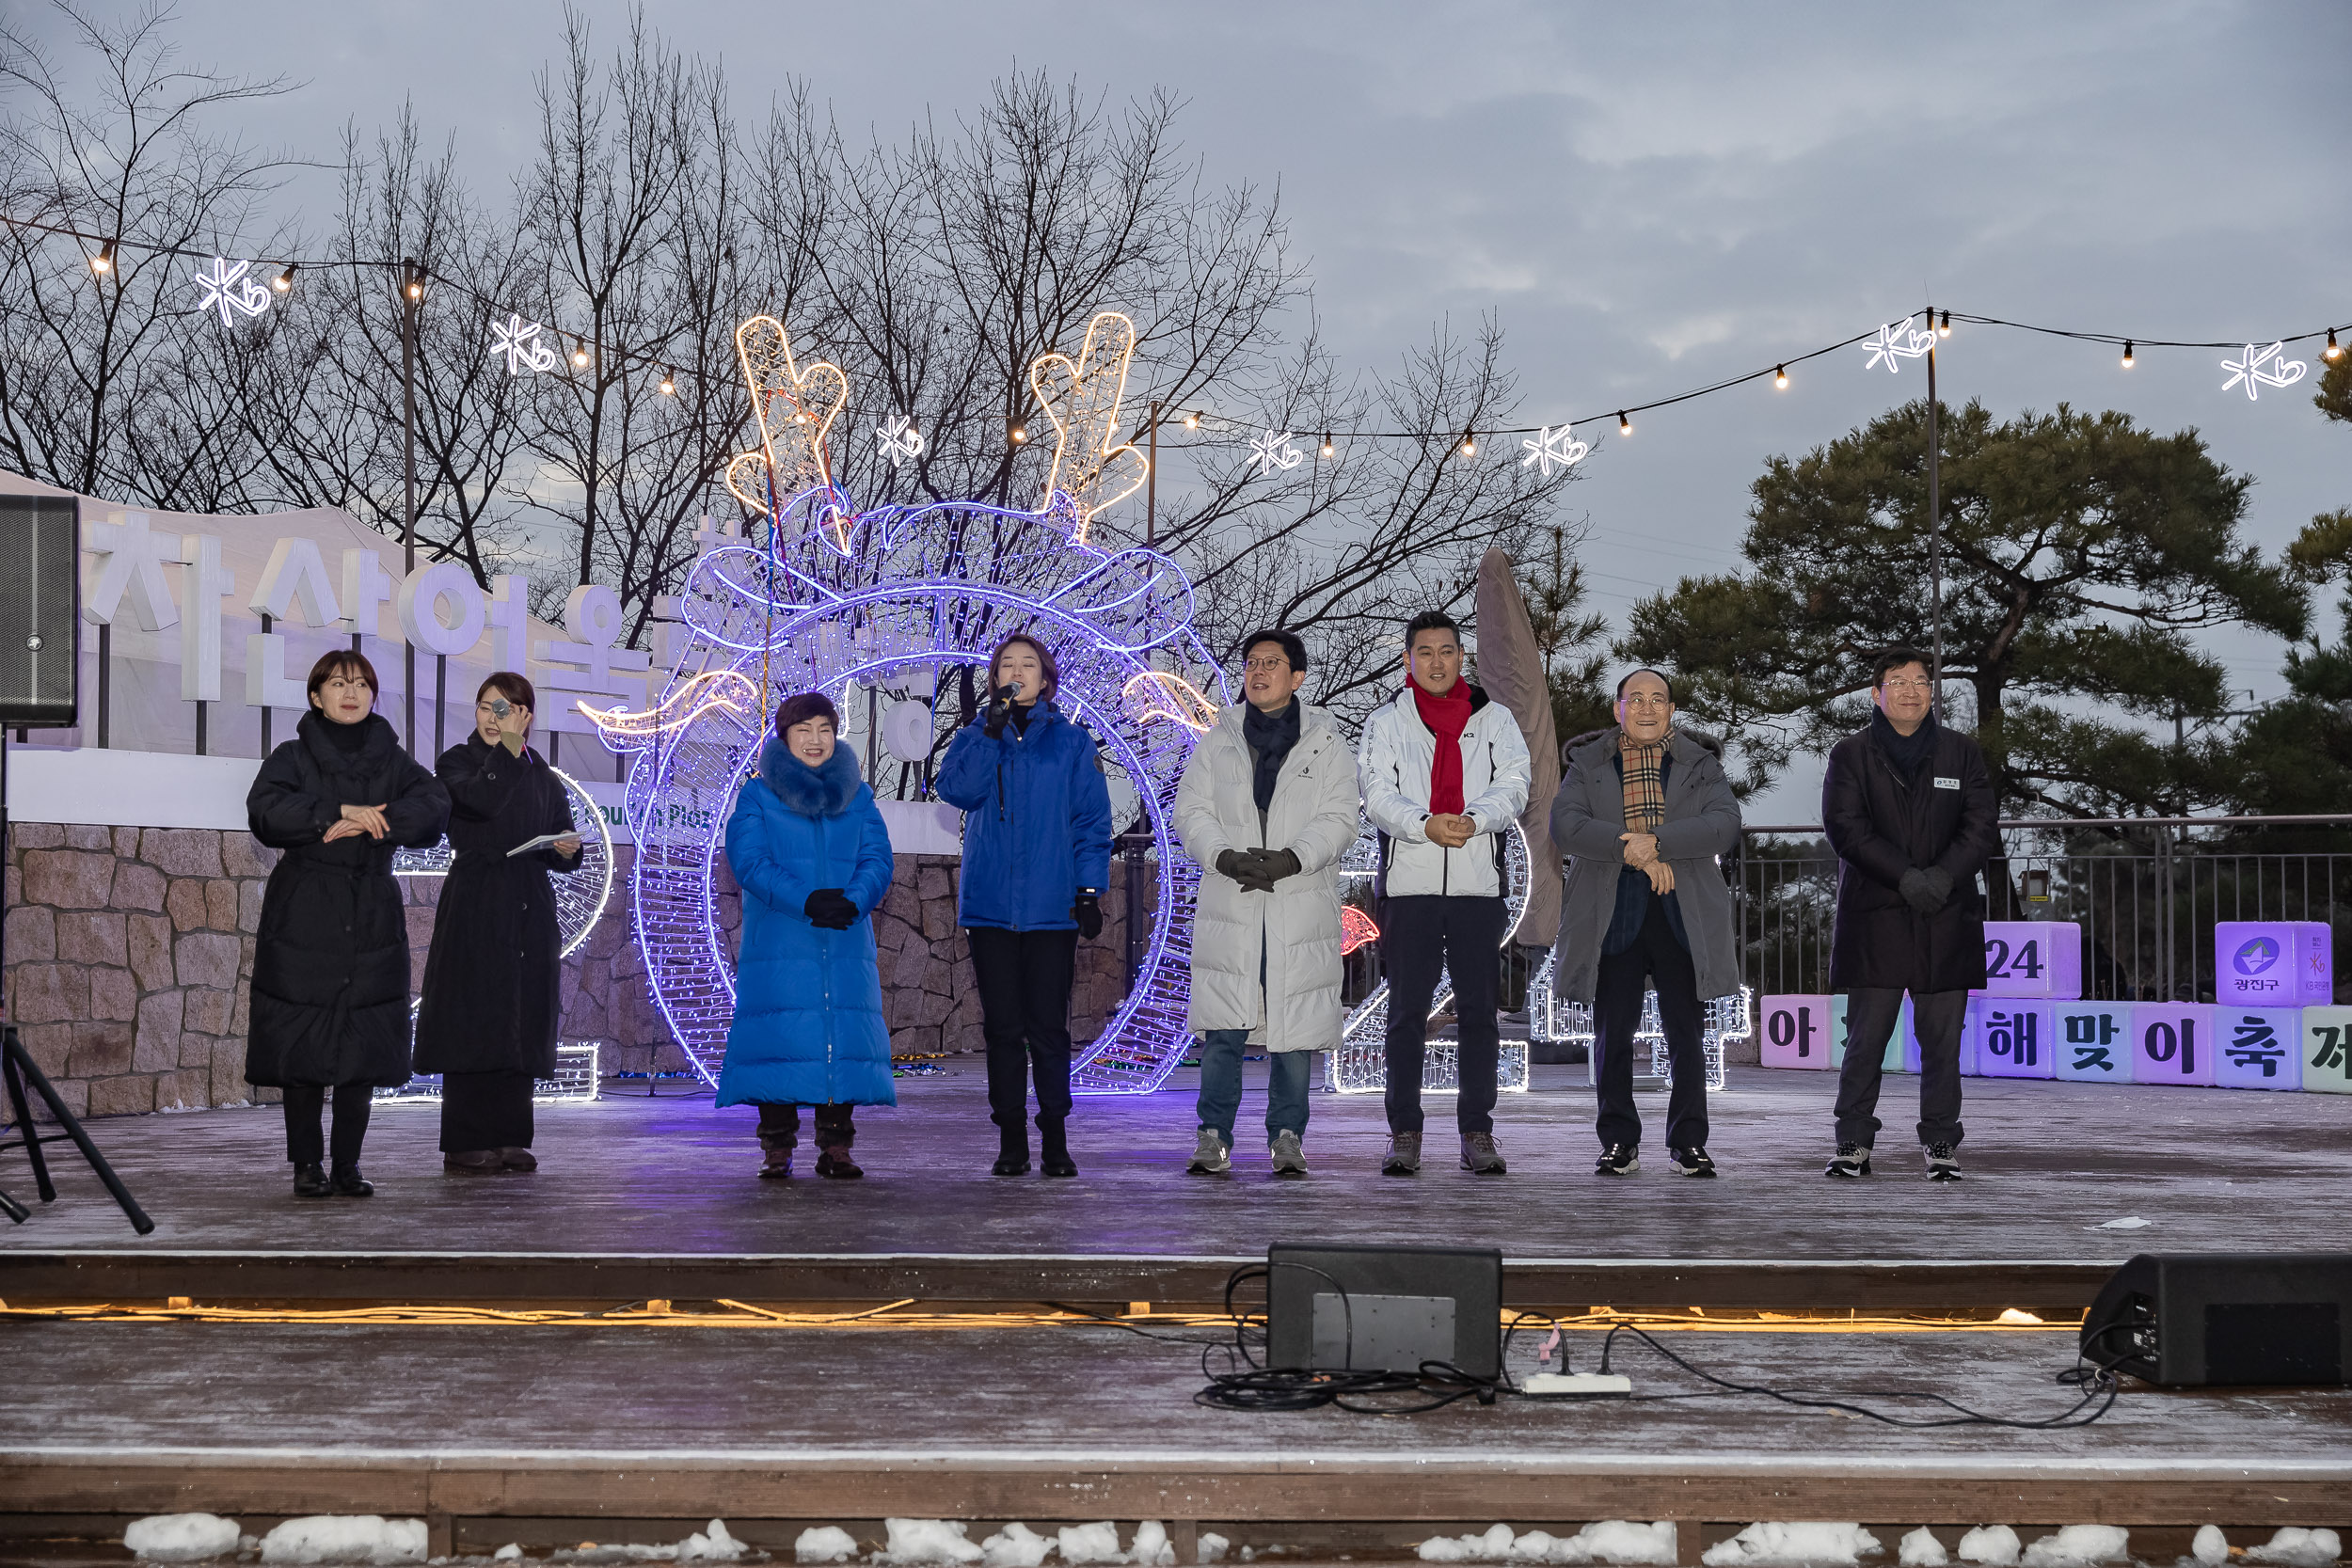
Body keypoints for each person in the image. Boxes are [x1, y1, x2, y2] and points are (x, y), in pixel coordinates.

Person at [245, 650, 450, 1198]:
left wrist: (370, 823)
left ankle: (348, 1165)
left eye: (361, 684)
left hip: (372, 914)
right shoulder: (291, 755)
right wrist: (333, 812)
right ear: (317, 696)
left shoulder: (395, 761)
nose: (350, 692)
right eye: (338, 683)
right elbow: (265, 812)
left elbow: (433, 806)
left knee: (361, 1049)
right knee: (303, 1048)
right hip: (304, 912)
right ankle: (307, 1165)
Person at [1173, 629, 1362, 1178]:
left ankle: (1287, 1136)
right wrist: (1226, 857)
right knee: (1223, 1028)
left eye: (1271, 663)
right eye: (1251, 663)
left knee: (1293, 1026)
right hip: (1231, 901)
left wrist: (1292, 859)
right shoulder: (1219, 738)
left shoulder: (1326, 741)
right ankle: (1213, 1135)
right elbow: (1192, 813)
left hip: (1297, 900)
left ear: (1297, 677)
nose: (1258, 672)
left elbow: (1340, 817)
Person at [1357, 610, 1531, 1176]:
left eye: (1447, 651)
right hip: (1410, 888)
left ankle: (1477, 1130)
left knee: (1480, 1013)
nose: (1437, 661)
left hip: (1479, 888)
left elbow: (1516, 784)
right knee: (1406, 1012)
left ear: (1462, 657)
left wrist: (1475, 819)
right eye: (1425, 652)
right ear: (1409, 660)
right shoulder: (1386, 721)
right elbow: (1376, 791)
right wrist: (1423, 823)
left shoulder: (1497, 719)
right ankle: (1404, 1131)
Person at [935, 633, 1114, 1179]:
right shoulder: (974, 735)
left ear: (1045, 678)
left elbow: (1091, 820)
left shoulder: (1073, 743)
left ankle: (1055, 1136)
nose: (1017, 672)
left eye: (1028, 664)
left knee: (1048, 1028)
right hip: (990, 909)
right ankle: (1011, 1136)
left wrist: (1087, 890)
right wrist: (989, 732)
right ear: (995, 678)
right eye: (1006, 664)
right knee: (1003, 1029)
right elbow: (955, 791)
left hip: (1051, 909)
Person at [1551, 669, 1742, 1178]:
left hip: (1684, 913)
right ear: (1618, 709)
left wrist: (1656, 842)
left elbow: (1724, 824)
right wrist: (1631, 849)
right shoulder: (1589, 764)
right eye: (1635, 699)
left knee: (1686, 1032)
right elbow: (1566, 826)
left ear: (1672, 710)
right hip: (1612, 911)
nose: (1647, 708)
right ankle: (1618, 1140)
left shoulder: (1700, 764)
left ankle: (1688, 1141)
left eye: (1658, 699)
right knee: (1612, 1034)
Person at [1821, 646, 1998, 1182]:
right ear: (1877, 693)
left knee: (1942, 1042)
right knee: (1865, 1040)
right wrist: (1905, 877)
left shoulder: (1961, 753)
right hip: (1877, 915)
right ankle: (1853, 1142)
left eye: (1921, 681)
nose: (1910, 690)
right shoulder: (1850, 754)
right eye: (1897, 681)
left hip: (1947, 915)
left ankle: (1942, 1143)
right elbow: (1846, 828)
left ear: (1932, 693)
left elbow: (1981, 825)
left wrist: (1942, 878)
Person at [717, 691, 898, 1179]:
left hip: (843, 938)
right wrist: (806, 900)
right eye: (803, 730)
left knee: (840, 1040)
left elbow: (878, 858)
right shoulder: (757, 795)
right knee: (778, 1042)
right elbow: (750, 862)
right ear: (785, 737)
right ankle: (777, 1149)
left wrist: (854, 900)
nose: (815, 740)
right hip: (781, 942)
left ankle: (836, 1147)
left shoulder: (857, 796)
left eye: (824, 729)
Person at [413, 673, 584, 1175]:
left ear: (527, 716)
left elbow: (561, 839)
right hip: (475, 901)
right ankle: (465, 1140)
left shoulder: (544, 776)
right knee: (473, 1016)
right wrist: (506, 753)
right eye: (488, 708)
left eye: (508, 710)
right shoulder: (456, 763)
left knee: (520, 1016)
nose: (496, 718)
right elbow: (479, 803)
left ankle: (511, 1135)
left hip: (529, 905)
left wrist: (566, 849)